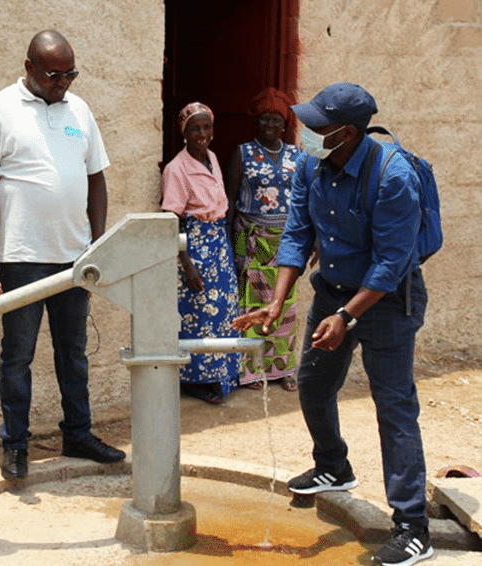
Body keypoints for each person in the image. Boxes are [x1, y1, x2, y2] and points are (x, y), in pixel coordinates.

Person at [232, 82, 433, 566]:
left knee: (394, 405)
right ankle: (333, 466)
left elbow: (390, 262)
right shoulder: (311, 165)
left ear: (346, 133)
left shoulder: (392, 176)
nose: (307, 132)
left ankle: (412, 527)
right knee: (313, 384)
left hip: (385, 301)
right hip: (334, 292)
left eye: (318, 126)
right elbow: (298, 232)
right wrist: (277, 302)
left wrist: (347, 317)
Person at [0, 30, 125, 481]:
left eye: (71, 74)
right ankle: (15, 445)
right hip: (22, 258)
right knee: (17, 354)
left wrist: (98, 245)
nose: (64, 83)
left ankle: (78, 432)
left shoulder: (81, 110)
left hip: (75, 257)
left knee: (72, 352)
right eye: (55, 75)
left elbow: (96, 178)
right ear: (30, 68)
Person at [161, 102, 241, 405]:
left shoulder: (213, 158)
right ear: (184, 132)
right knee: (197, 315)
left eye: (207, 127)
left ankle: (220, 373)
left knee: (222, 313)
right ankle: (195, 380)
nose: (202, 134)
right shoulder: (177, 169)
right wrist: (187, 265)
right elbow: (172, 221)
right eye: (195, 128)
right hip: (194, 248)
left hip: (218, 244)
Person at [225, 87, 301, 392]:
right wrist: (231, 246)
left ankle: (283, 369)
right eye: (264, 120)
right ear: (256, 123)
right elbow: (231, 201)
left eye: (275, 121)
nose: (270, 126)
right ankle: (253, 370)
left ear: (284, 125)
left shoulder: (297, 155)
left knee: (286, 304)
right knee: (251, 302)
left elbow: (305, 200)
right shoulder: (242, 152)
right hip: (251, 236)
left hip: (285, 240)